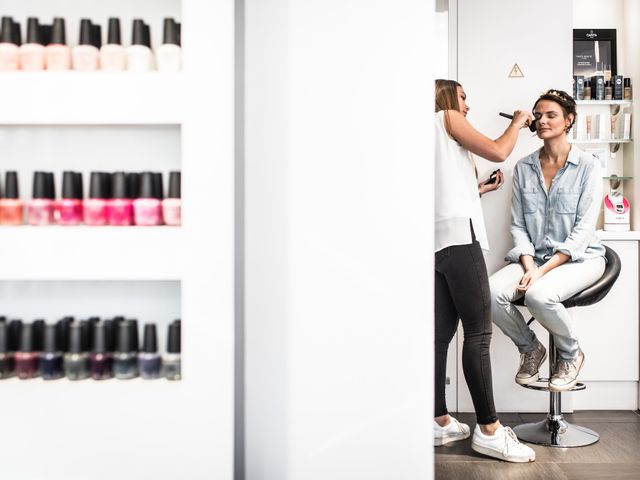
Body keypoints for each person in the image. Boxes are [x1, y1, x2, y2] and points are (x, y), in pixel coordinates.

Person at [434, 79, 536, 463]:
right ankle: (490, 431)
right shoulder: (444, 117)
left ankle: (439, 420)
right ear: (446, 97)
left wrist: (480, 190)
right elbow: (498, 150)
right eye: (463, 98)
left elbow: (441, 191)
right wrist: (519, 121)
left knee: (440, 336)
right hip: (461, 239)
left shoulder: (421, 132)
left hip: (434, 243)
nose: (467, 107)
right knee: (478, 332)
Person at [489, 89, 605, 393]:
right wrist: (529, 264)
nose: (542, 120)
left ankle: (571, 353)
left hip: (582, 258)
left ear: (568, 120)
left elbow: (582, 231)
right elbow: (519, 225)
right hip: (535, 257)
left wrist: (539, 273)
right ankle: (530, 348)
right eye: (538, 115)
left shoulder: (589, 167)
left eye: (551, 115)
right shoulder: (524, 168)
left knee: (538, 295)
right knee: (488, 292)